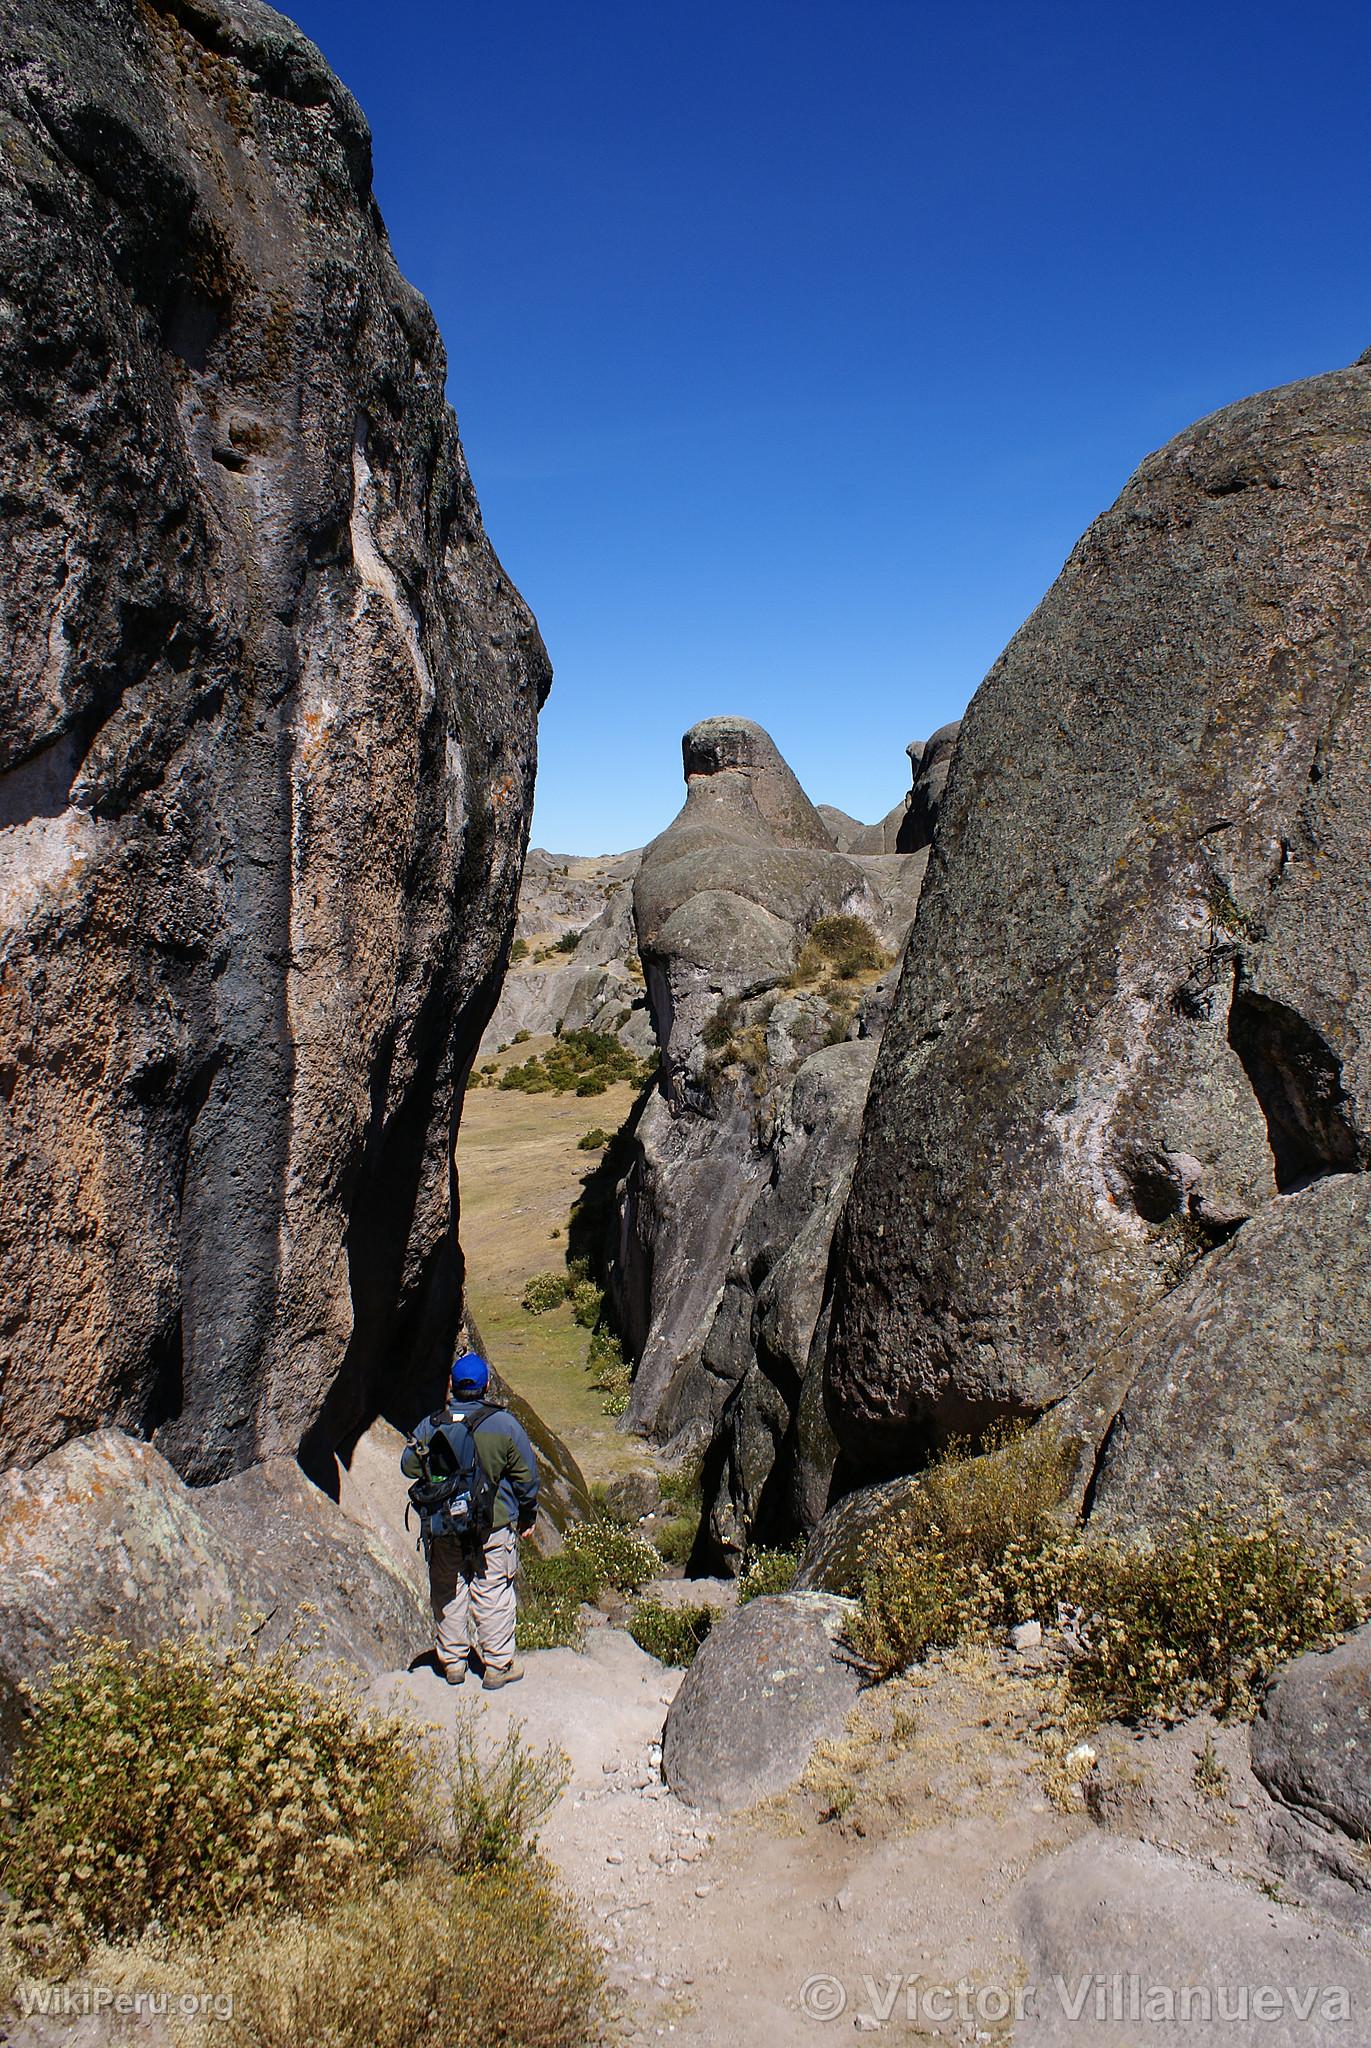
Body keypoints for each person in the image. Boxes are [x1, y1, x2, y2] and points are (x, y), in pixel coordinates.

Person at [401, 1351, 539, 1689]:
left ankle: (452, 1664)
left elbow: (409, 1467)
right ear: (486, 1384)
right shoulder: (503, 1425)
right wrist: (527, 1514)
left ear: (451, 1384)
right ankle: (497, 1666)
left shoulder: (431, 1425)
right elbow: (526, 1476)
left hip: (445, 1524)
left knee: (449, 1589)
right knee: (492, 1590)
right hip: (493, 1523)